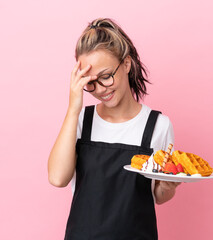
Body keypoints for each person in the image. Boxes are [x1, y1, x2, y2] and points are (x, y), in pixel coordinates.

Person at [48, 18, 180, 240]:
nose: (100, 89)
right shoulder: (80, 121)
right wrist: (73, 108)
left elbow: (159, 196)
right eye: (90, 82)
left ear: (126, 64)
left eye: (106, 76)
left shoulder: (158, 126)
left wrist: (169, 186)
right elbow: (58, 178)